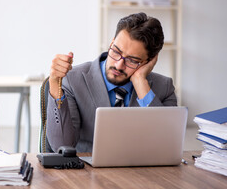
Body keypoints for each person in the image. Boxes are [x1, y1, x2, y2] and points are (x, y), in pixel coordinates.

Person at [46, 12, 177, 152]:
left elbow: (167, 146)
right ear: (111, 42)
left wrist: (140, 82)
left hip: (140, 171)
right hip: (87, 171)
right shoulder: (73, 80)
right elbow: (61, 146)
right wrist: (54, 83)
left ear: (149, 61)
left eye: (132, 60)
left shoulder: (164, 88)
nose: (119, 65)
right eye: (116, 51)